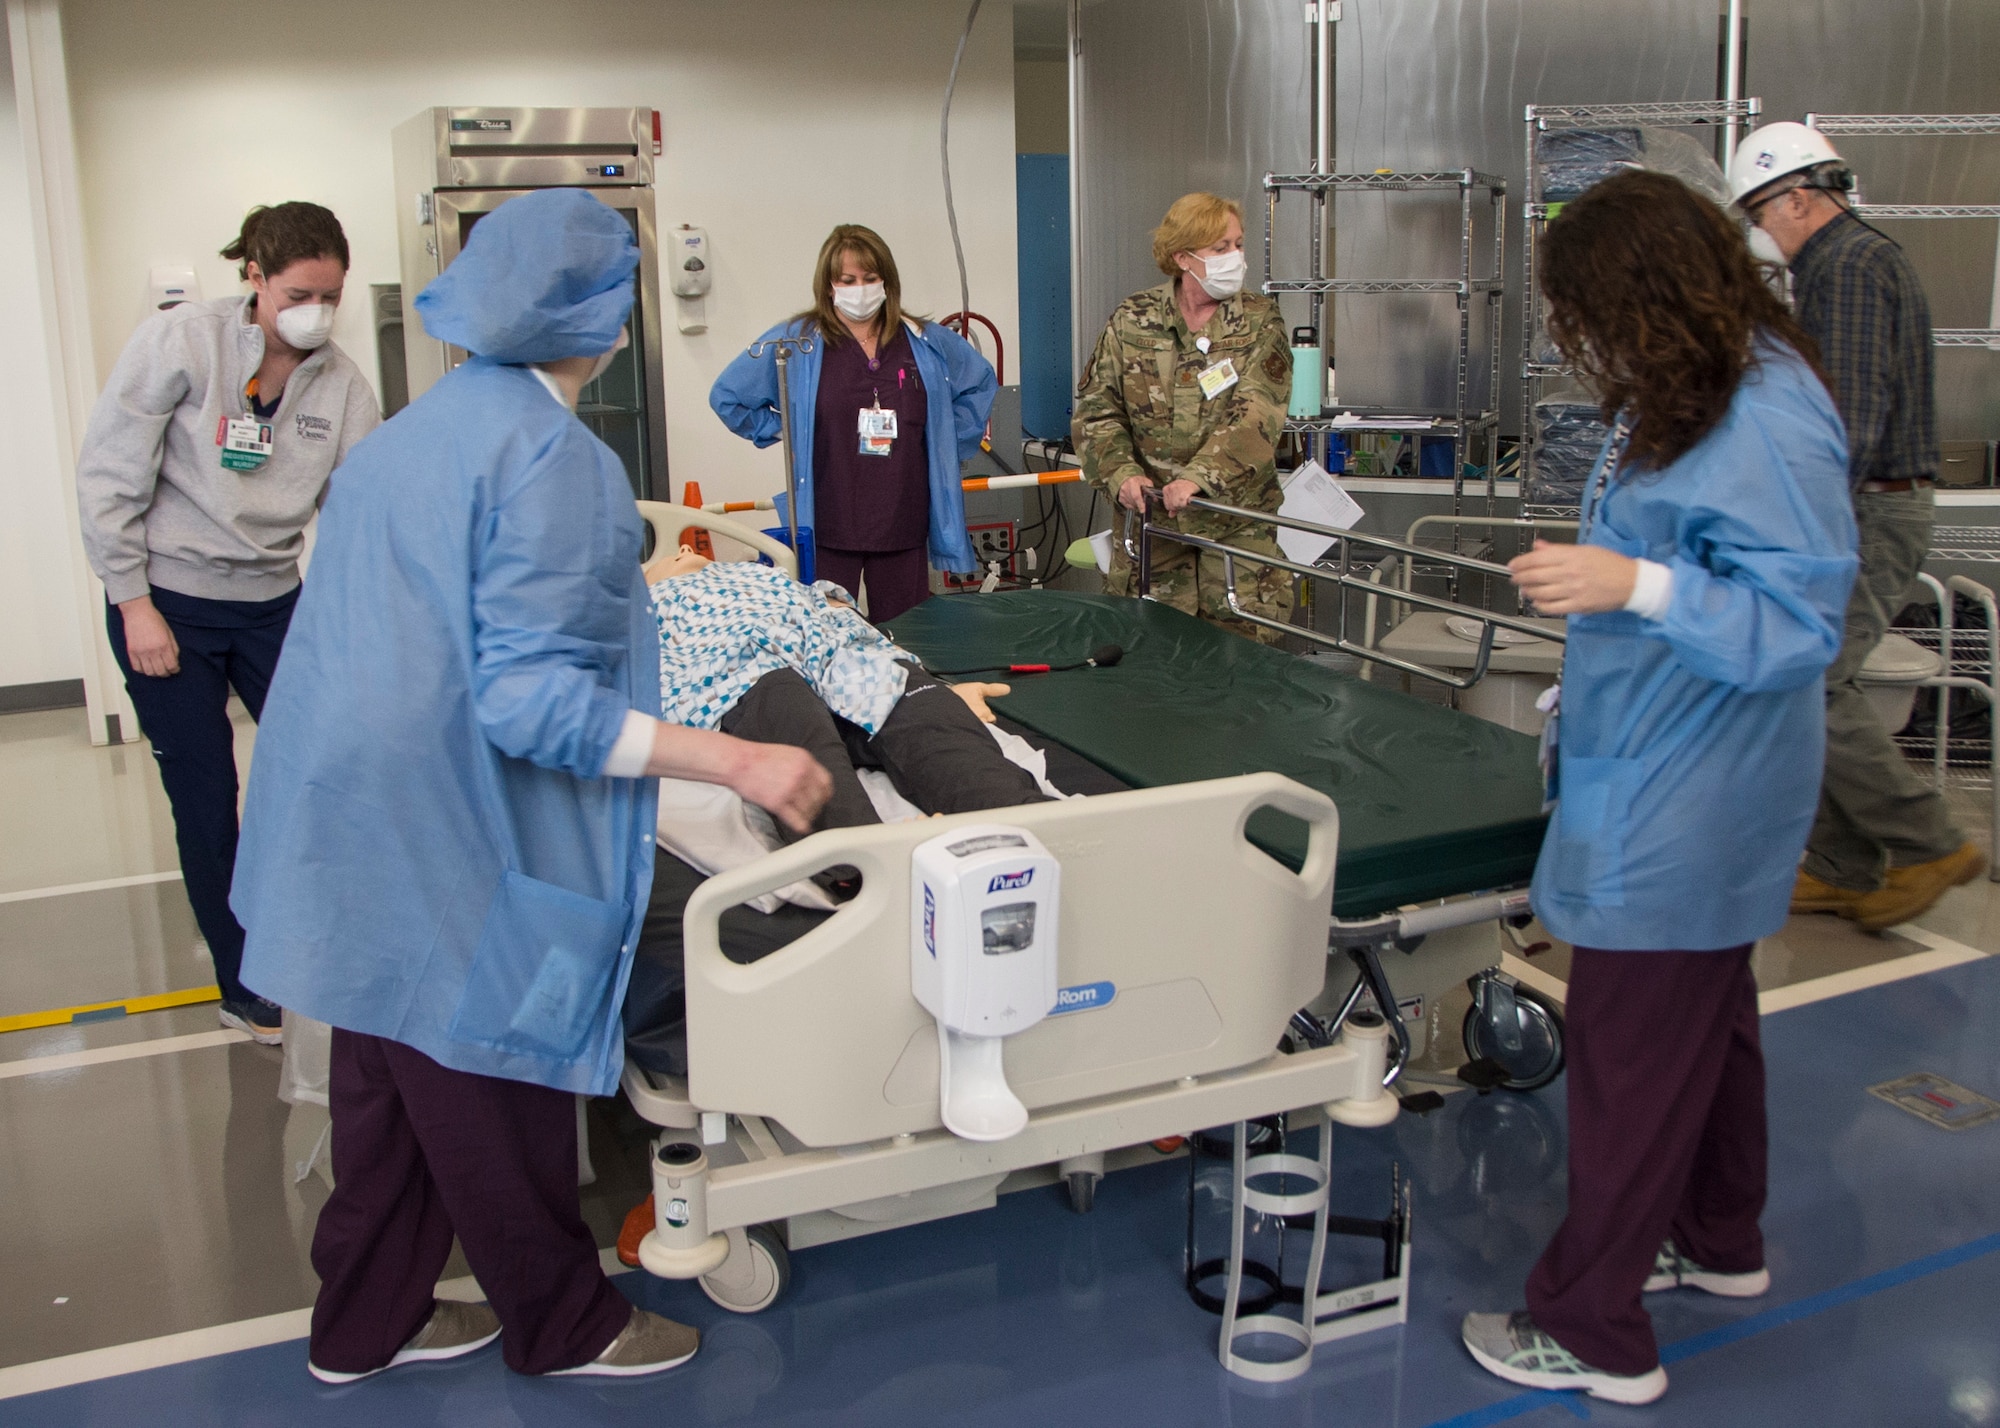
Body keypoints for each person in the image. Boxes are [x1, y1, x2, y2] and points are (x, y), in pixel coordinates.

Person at [231, 190, 831, 1384]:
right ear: (602, 320)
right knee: (486, 1084)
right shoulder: (554, 458)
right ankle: (566, 1326)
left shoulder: (411, 434)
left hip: (347, 813)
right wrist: (736, 757)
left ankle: (365, 1321)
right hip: (447, 827)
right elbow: (528, 706)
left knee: (386, 1084)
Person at [1460, 171, 1856, 1406]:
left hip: (1692, 791)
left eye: (1586, 316)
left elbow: (1798, 625)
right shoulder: (1699, 386)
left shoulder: (1766, 410)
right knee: (1712, 1024)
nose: (1584, 344)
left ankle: (1589, 1328)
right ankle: (1719, 1237)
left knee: (1630, 1050)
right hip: (1665, 758)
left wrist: (1632, 590)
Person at [74, 202, 379, 1046]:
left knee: (328, 771)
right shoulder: (182, 344)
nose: (317, 310)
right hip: (167, 601)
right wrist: (133, 602)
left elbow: (361, 512)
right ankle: (244, 984)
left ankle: (324, 940)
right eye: (299, 292)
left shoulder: (343, 384)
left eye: (332, 294)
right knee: (208, 799)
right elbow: (110, 475)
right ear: (254, 276)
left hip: (272, 602)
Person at [1728, 121, 1986, 931]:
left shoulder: (1849, 266)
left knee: (1814, 676)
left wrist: (1797, 522)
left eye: (1760, 213)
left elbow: (1848, 419)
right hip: (1867, 500)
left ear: (1797, 196)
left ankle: (1929, 841)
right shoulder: (1846, 263)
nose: (1760, 232)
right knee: (1814, 678)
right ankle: (1846, 864)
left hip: (1868, 506)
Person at [644, 544, 1050, 840]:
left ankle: (1036, 825)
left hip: (846, 664)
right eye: (663, 560)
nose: (682, 546)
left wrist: (937, 686)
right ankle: (861, 858)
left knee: (920, 707)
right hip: (753, 675)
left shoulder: (762, 576)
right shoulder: (647, 611)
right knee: (793, 724)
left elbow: (848, 620)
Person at [709, 224, 997, 621]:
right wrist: (783, 431)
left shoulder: (924, 341)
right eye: (847, 280)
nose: (859, 288)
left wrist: (945, 441)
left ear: (887, 282)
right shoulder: (797, 343)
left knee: (906, 640)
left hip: (903, 519)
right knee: (828, 639)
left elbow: (980, 384)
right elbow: (728, 397)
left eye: (869, 278)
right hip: (829, 521)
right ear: (829, 285)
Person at [1072, 191, 1293, 643]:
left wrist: (1199, 479)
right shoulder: (1132, 319)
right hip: (1154, 533)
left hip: (1234, 527)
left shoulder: (1259, 321)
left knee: (1241, 663)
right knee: (1152, 660)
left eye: (1238, 244)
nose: (1236, 257)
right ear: (1182, 257)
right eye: (1220, 248)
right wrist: (1122, 474)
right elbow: (1097, 410)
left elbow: (1257, 414)